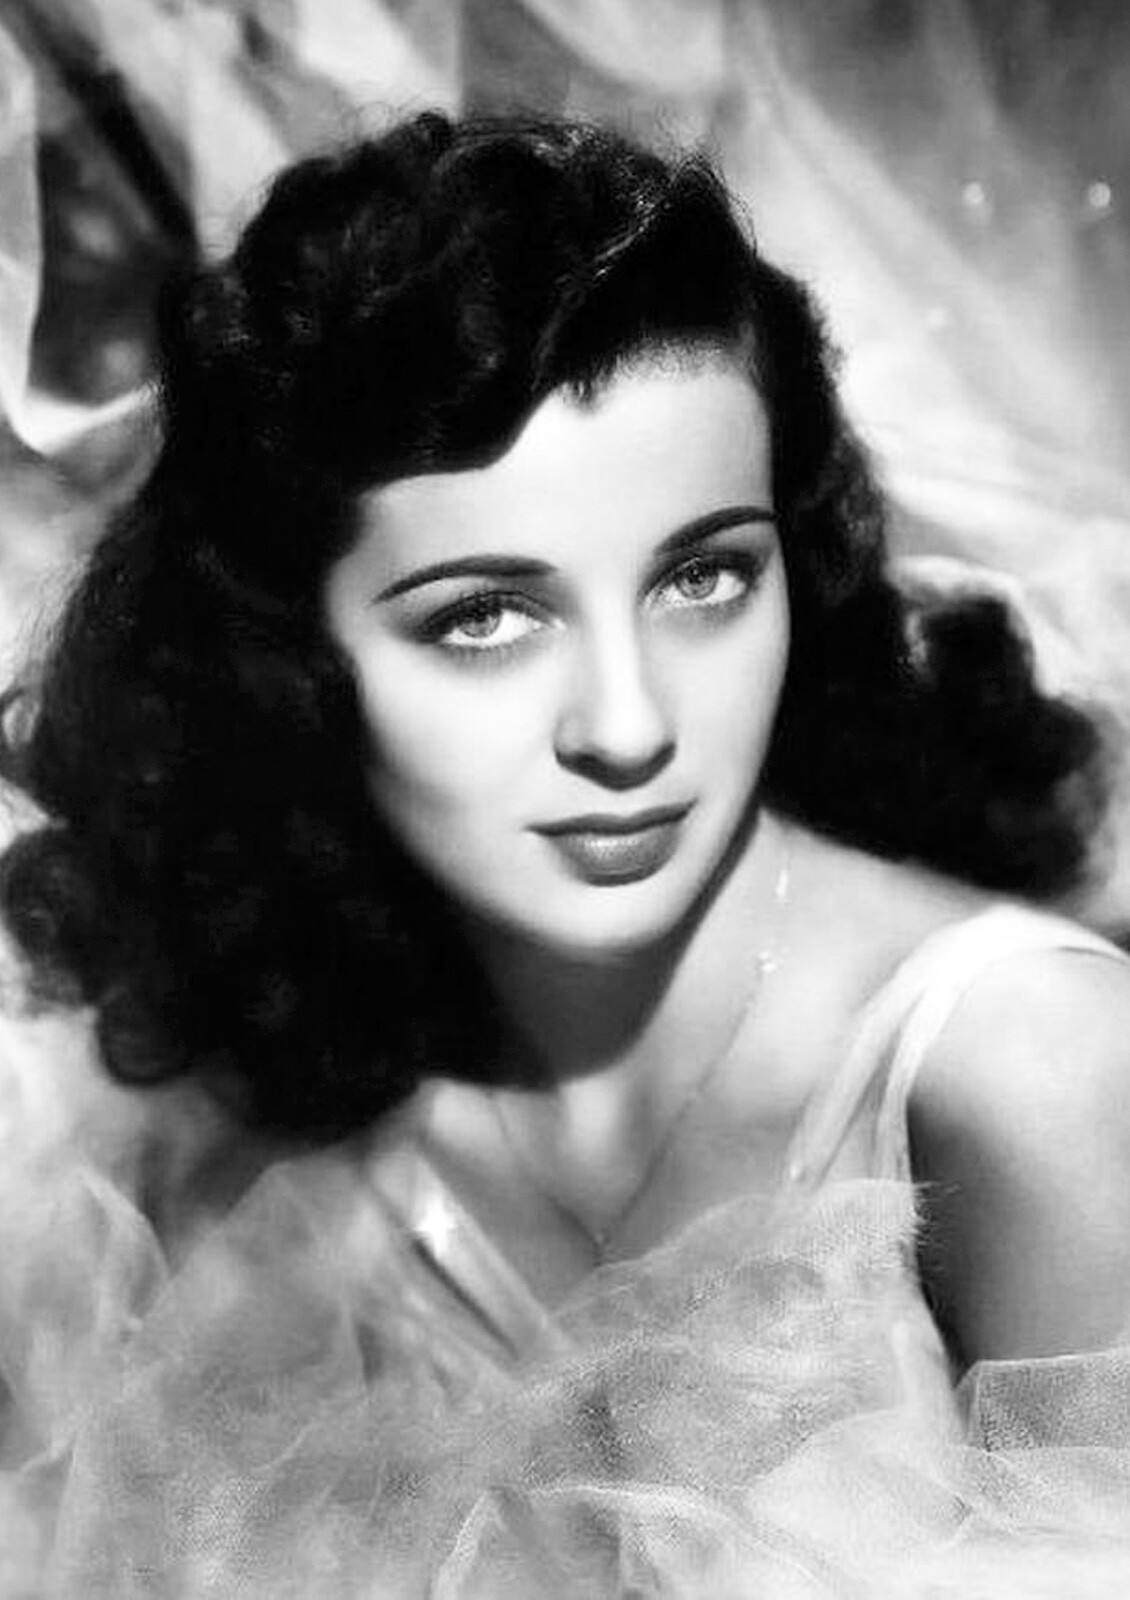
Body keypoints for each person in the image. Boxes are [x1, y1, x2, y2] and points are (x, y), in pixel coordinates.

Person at [0, 110, 1128, 1596]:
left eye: (703, 578)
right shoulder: (281, 1149)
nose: (628, 726)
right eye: (486, 616)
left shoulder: (1028, 1076)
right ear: (291, 657)